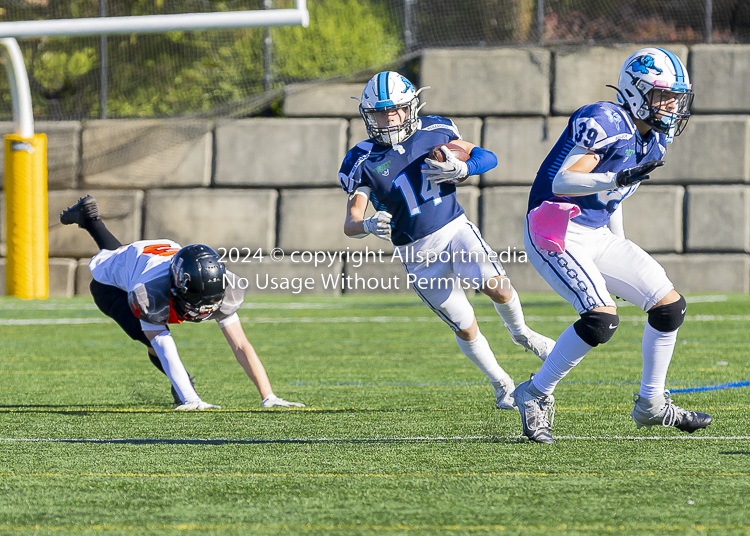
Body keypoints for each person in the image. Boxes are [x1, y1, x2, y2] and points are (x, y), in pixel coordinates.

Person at [513, 47, 712, 443]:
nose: (672, 105)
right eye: (663, 95)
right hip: (554, 227)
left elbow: (612, 201)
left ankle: (651, 404)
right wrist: (618, 177)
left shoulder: (652, 141)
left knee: (669, 307)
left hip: (596, 233)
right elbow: (563, 181)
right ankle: (534, 394)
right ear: (637, 92)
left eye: (676, 96)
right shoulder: (607, 120)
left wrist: (620, 253)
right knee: (600, 320)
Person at [338, 71, 556, 410]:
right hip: (416, 253)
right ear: (368, 115)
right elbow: (350, 223)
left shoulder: (435, 130)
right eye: (380, 112)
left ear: (411, 107)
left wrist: (463, 170)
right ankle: (502, 385)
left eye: (395, 109)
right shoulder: (361, 159)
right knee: (465, 326)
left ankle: (522, 332)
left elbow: (487, 157)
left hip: (454, 229)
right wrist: (366, 223)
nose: (388, 118)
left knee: (497, 286)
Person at [59, 195, 304, 410]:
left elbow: (241, 345)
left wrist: (268, 395)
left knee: (123, 257)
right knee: (154, 343)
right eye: (196, 300)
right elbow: (165, 345)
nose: (202, 310)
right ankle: (183, 386)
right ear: (176, 284)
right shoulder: (149, 292)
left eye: (209, 301)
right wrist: (191, 398)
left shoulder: (223, 286)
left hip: (143, 257)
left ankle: (90, 219)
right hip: (110, 288)